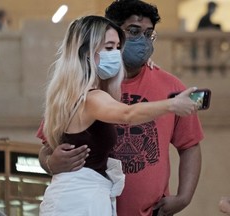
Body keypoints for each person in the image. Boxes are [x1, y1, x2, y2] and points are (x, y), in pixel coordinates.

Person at [38, 1, 204, 216]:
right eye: (133, 32)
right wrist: (51, 162)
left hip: (125, 206)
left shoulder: (167, 85)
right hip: (83, 201)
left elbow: (190, 143)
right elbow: (49, 145)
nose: (142, 41)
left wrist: (184, 197)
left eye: (149, 34)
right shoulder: (85, 92)